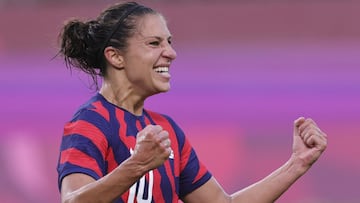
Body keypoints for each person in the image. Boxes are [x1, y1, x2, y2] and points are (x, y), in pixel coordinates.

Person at [56, 1, 328, 203]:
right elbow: (73, 200)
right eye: (154, 43)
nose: (171, 53)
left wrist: (297, 164)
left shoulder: (167, 130)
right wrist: (136, 165)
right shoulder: (90, 122)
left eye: (169, 42)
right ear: (116, 57)